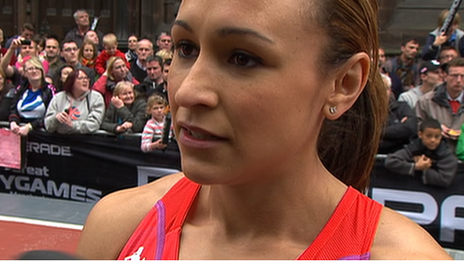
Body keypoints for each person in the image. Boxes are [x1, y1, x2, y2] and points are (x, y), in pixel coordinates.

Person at [77, 0, 451, 260]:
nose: (188, 90)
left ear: (344, 83)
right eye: (186, 48)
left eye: (243, 58)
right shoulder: (120, 225)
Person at [385, 118, 457, 188]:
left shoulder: (445, 153)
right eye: (428, 136)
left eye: (437, 137)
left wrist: (424, 169)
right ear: (420, 134)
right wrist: (415, 166)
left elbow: (445, 179)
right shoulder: (413, 148)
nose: (433, 140)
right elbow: (390, 161)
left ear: (441, 136)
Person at [415, 57, 464, 152]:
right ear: (445, 76)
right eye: (454, 75)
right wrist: (435, 129)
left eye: (462, 76)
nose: (458, 80)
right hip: (435, 155)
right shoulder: (426, 101)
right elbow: (417, 126)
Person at [44, 69, 104, 134]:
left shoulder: (96, 98)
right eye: (80, 78)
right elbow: (48, 125)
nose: (85, 80)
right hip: (60, 140)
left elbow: (94, 124)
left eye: (86, 78)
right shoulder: (58, 97)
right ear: (71, 82)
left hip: (84, 141)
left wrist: (73, 125)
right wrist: (55, 118)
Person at [9, 56, 55, 136]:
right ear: (25, 73)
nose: (34, 71)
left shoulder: (49, 90)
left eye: (37, 68)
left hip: (40, 133)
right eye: (30, 69)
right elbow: (13, 108)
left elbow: (51, 115)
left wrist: (30, 126)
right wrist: (13, 122)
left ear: (42, 70)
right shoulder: (20, 89)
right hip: (19, 131)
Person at [378, 74, 417, 154]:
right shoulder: (363, 112)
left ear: (390, 90)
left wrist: (378, 132)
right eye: (378, 88)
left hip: (399, 158)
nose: (382, 92)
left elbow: (410, 128)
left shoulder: (402, 107)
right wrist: (398, 130)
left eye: (385, 88)